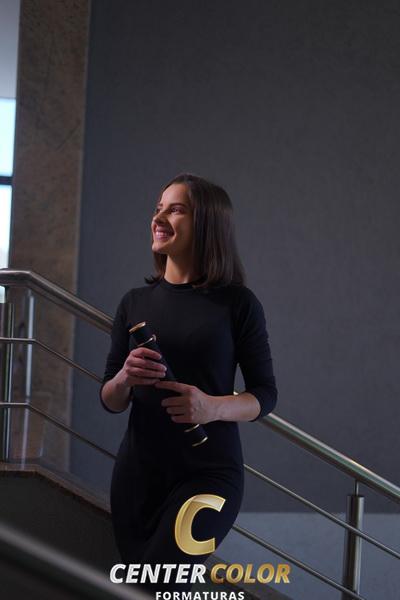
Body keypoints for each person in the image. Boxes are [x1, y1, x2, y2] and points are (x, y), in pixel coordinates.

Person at [99, 172, 278, 594]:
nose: (158, 217)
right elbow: (110, 399)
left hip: (208, 476)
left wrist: (211, 407)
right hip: (137, 475)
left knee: (160, 586)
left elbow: (265, 394)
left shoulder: (238, 303)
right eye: (158, 208)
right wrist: (125, 377)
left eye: (175, 209)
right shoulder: (133, 303)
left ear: (207, 223)